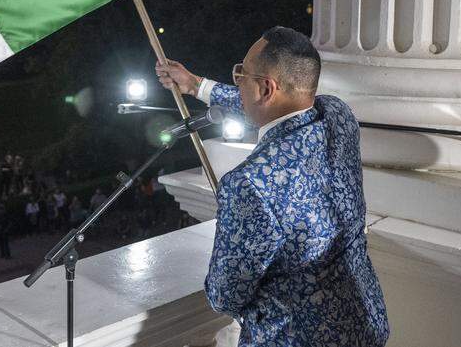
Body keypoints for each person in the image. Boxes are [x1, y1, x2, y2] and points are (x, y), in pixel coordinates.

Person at [156, 26, 389, 347]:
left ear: (266, 88)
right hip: (364, 325)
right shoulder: (338, 114)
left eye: (242, 76)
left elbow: (225, 295)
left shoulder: (250, 183)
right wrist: (197, 86)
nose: (238, 83)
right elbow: (288, 100)